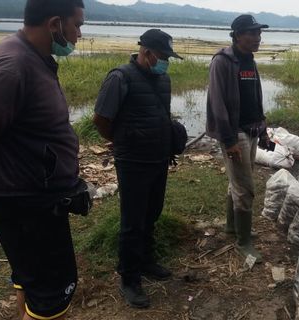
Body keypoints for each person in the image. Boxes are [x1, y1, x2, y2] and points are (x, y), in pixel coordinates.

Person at [0, 0, 85, 319]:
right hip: (25, 204)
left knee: (31, 282)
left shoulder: (33, 59)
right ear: (55, 23)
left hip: (31, 201)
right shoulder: (11, 66)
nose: (79, 35)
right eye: (77, 25)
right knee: (53, 294)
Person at [93, 29, 183, 309]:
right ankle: (129, 278)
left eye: (168, 57)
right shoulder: (120, 77)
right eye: (163, 56)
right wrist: (124, 142)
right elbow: (101, 119)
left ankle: (146, 260)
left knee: (152, 213)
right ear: (146, 53)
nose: (166, 61)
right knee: (132, 222)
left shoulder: (163, 78)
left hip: (159, 159)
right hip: (133, 163)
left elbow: (161, 116)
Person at [206, 14, 270, 263]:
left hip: (252, 130)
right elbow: (217, 103)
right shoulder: (222, 61)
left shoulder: (249, 61)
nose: (258, 38)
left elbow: (256, 96)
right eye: (253, 33)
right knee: (246, 188)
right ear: (238, 35)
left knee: (238, 181)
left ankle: (232, 228)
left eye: (259, 33)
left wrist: (263, 128)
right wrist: (229, 139)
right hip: (235, 133)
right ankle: (244, 242)